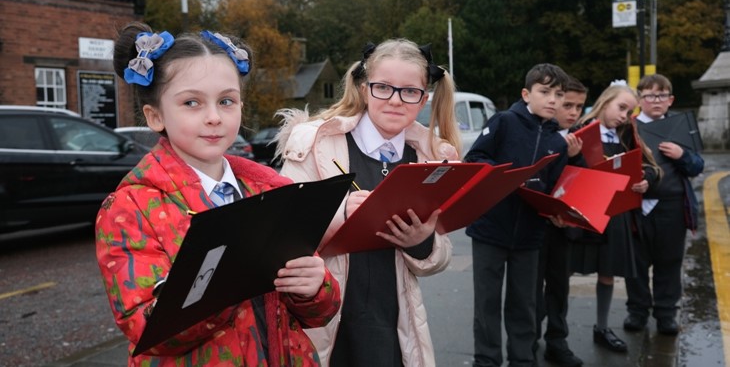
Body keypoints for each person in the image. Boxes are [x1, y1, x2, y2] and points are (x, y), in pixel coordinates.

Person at [95, 22, 341, 366]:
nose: (214, 117)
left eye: (226, 101)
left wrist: (315, 287)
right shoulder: (128, 208)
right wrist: (222, 282)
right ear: (155, 116)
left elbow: (321, 313)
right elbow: (143, 328)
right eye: (192, 102)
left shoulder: (271, 190)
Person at [274, 39, 459, 366]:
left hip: (395, 324)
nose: (395, 100)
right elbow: (282, 230)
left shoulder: (430, 157)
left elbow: (441, 254)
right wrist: (340, 212)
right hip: (328, 320)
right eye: (383, 88)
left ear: (424, 99)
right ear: (363, 89)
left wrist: (421, 242)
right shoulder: (315, 143)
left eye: (409, 91)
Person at [465, 63, 570, 367]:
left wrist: (559, 209)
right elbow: (476, 158)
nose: (553, 99)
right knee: (487, 302)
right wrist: (505, 177)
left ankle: (523, 359)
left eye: (558, 94)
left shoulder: (557, 142)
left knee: (524, 303)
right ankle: (486, 360)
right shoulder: (503, 122)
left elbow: (557, 187)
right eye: (545, 91)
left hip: (531, 234)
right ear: (526, 94)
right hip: (490, 228)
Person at [569, 82, 660, 354]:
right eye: (621, 107)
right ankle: (554, 332)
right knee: (563, 273)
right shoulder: (578, 131)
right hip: (582, 212)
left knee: (608, 273)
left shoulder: (627, 135)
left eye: (629, 111)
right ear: (605, 101)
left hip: (616, 214)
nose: (624, 115)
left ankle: (602, 327)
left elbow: (652, 168)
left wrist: (647, 181)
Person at [623, 74, 704, 335]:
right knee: (635, 263)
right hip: (637, 205)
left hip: (672, 207)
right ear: (639, 100)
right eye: (648, 95)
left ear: (670, 100)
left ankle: (666, 313)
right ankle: (637, 311)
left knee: (669, 262)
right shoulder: (628, 127)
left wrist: (682, 156)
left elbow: (696, 167)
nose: (655, 101)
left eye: (661, 96)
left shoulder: (681, 127)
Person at [534, 77, 588, 367]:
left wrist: (577, 158)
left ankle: (557, 340)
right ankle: (529, 338)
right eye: (567, 104)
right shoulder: (539, 134)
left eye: (579, 106)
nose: (573, 112)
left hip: (563, 227)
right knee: (532, 290)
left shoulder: (579, 138)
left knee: (559, 287)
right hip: (536, 226)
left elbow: (583, 182)